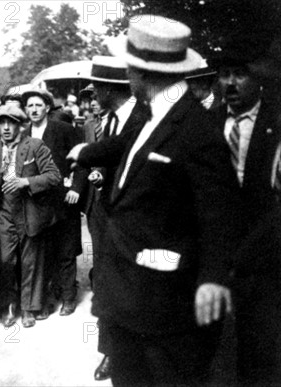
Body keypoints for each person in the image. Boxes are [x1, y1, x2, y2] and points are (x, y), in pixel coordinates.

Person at [68, 15, 242, 385]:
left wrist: (212, 277)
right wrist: (87, 152)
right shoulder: (154, 114)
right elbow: (129, 145)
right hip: (126, 298)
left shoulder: (197, 130)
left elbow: (221, 213)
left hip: (163, 305)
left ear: (140, 71)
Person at [210, 36, 281, 385]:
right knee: (219, 350)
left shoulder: (277, 123)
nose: (231, 83)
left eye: (240, 74)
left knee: (262, 349)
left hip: (265, 258)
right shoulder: (207, 123)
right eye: (224, 74)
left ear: (259, 79)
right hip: (216, 257)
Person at [79, 54, 136, 382]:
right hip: (104, 216)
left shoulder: (141, 118)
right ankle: (109, 351)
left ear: (110, 89)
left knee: (127, 288)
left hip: (130, 222)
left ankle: (123, 352)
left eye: (97, 87)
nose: (93, 94)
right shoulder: (109, 120)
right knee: (105, 283)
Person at [0, 105, 61, 328]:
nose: (7, 128)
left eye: (12, 123)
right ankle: (10, 305)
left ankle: (29, 308)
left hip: (30, 211)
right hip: (4, 213)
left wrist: (26, 181)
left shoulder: (35, 146)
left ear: (21, 125)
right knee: (5, 261)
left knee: (31, 263)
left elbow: (54, 176)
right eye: (2, 123)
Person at [22, 88, 82, 319]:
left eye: (38, 105)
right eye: (29, 106)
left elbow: (81, 160)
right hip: (35, 203)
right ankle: (45, 300)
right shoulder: (24, 133)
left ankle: (68, 297)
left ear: (47, 107)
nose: (34, 110)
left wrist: (76, 187)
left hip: (63, 199)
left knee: (66, 251)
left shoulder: (64, 130)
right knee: (42, 253)